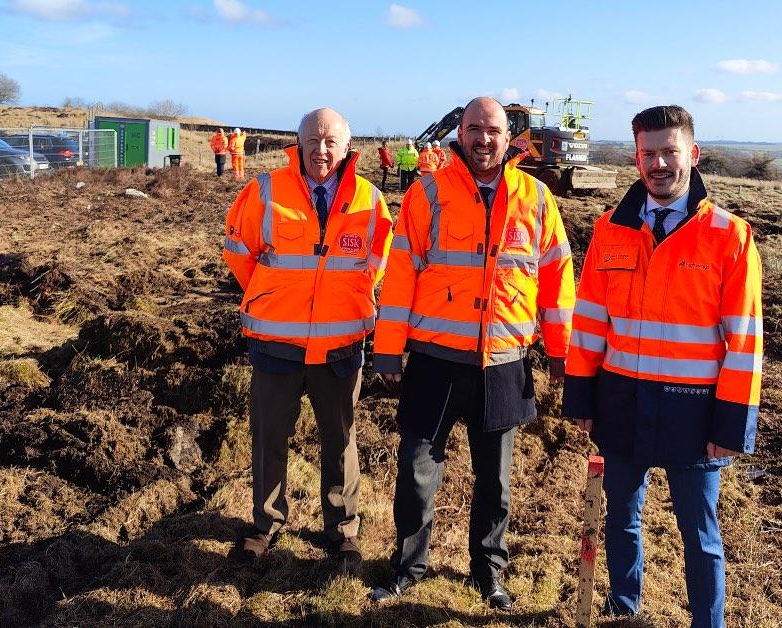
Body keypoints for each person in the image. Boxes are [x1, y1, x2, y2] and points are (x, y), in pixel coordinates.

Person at [369, 97, 576, 610]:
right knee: (417, 472)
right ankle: (409, 566)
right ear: (459, 134)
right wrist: (389, 350)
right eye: (474, 129)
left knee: (496, 481)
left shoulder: (537, 197)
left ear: (510, 139)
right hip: (435, 360)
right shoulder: (428, 192)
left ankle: (489, 572)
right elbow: (400, 275)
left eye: (494, 131)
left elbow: (556, 280)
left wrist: (560, 351)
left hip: (503, 363)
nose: (484, 139)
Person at [562, 105, 763, 626]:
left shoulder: (729, 236)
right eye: (649, 153)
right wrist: (581, 396)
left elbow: (743, 340)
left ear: (692, 156)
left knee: (700, 534)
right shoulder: (609, 229)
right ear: (636, 158)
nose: (659, 163)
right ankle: (623, 609)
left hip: (694, 414)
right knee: (621, 519)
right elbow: (589, 321)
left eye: (670, 151)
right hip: (621, 402)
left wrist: (730, 422)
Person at [222, 107, 393, 576]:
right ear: (298, 144)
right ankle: (266, 523)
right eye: (313, 141)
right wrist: (274, 296)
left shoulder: (369, 200)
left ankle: (342, 531)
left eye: (331, 141)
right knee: (269, 437)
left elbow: (379, 265)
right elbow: (240, 254)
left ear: (346, 145)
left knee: (341, 440)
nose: (322, 150)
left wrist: (347, 302)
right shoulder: (264, 191)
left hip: (340, 349)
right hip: (276, 344)